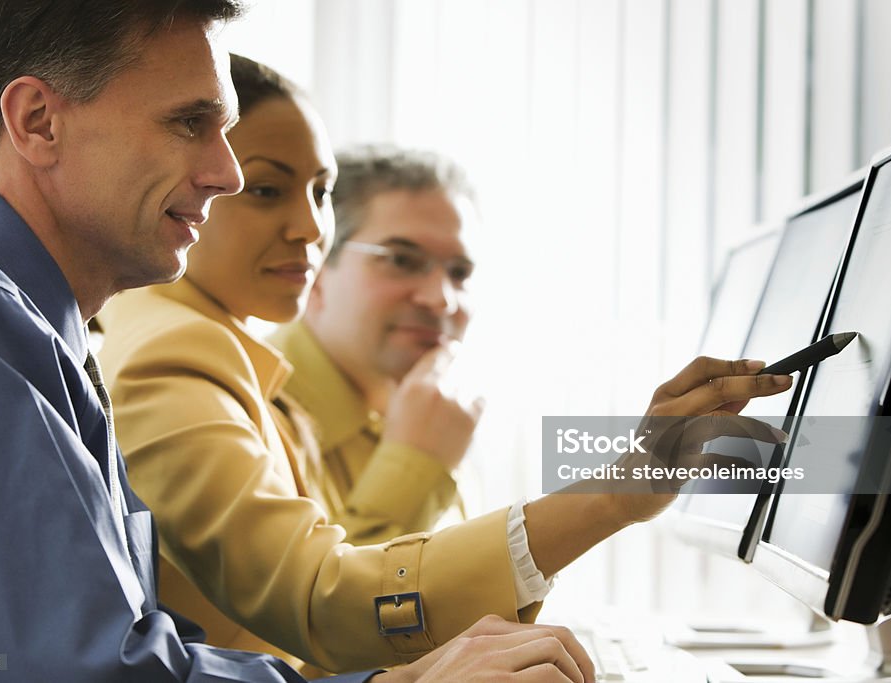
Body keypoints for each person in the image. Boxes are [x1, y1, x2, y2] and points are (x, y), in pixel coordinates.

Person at [0, 2, 597, 681]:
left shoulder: (22, 321)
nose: (227, 173)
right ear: (38, 122)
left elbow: (135, 642)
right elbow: (75, 669)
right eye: (191, 122)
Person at [96, 49, 793, 683]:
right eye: (401, 259)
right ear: (324, 283)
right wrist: (609, 491)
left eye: (319, 192)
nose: (310, 227)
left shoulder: (275, 365)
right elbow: (325, 610)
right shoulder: (181, 348)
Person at [270, 146, 480, 546]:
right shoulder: (244, 413)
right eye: (401, 260)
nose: (442, 300)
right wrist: (416, 467)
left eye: (460, 272)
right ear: (314, 269)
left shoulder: (439, 413)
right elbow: (314, 604)